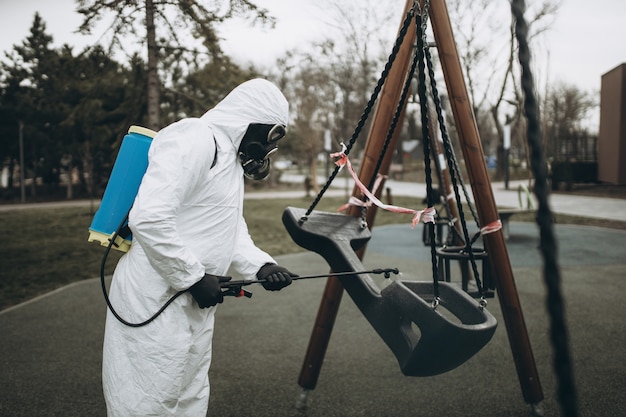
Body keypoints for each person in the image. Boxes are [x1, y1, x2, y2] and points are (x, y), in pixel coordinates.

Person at [102, 78, 297, 417]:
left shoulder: (229, 160)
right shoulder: (194, 137)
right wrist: (192, 277)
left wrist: (262, 266)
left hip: (195, 301)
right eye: (268, 136)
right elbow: (148, 216)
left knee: (189, 395)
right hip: (155, 299)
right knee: (148, 400)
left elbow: (228, 228)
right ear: (247, 120)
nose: (266, 149)